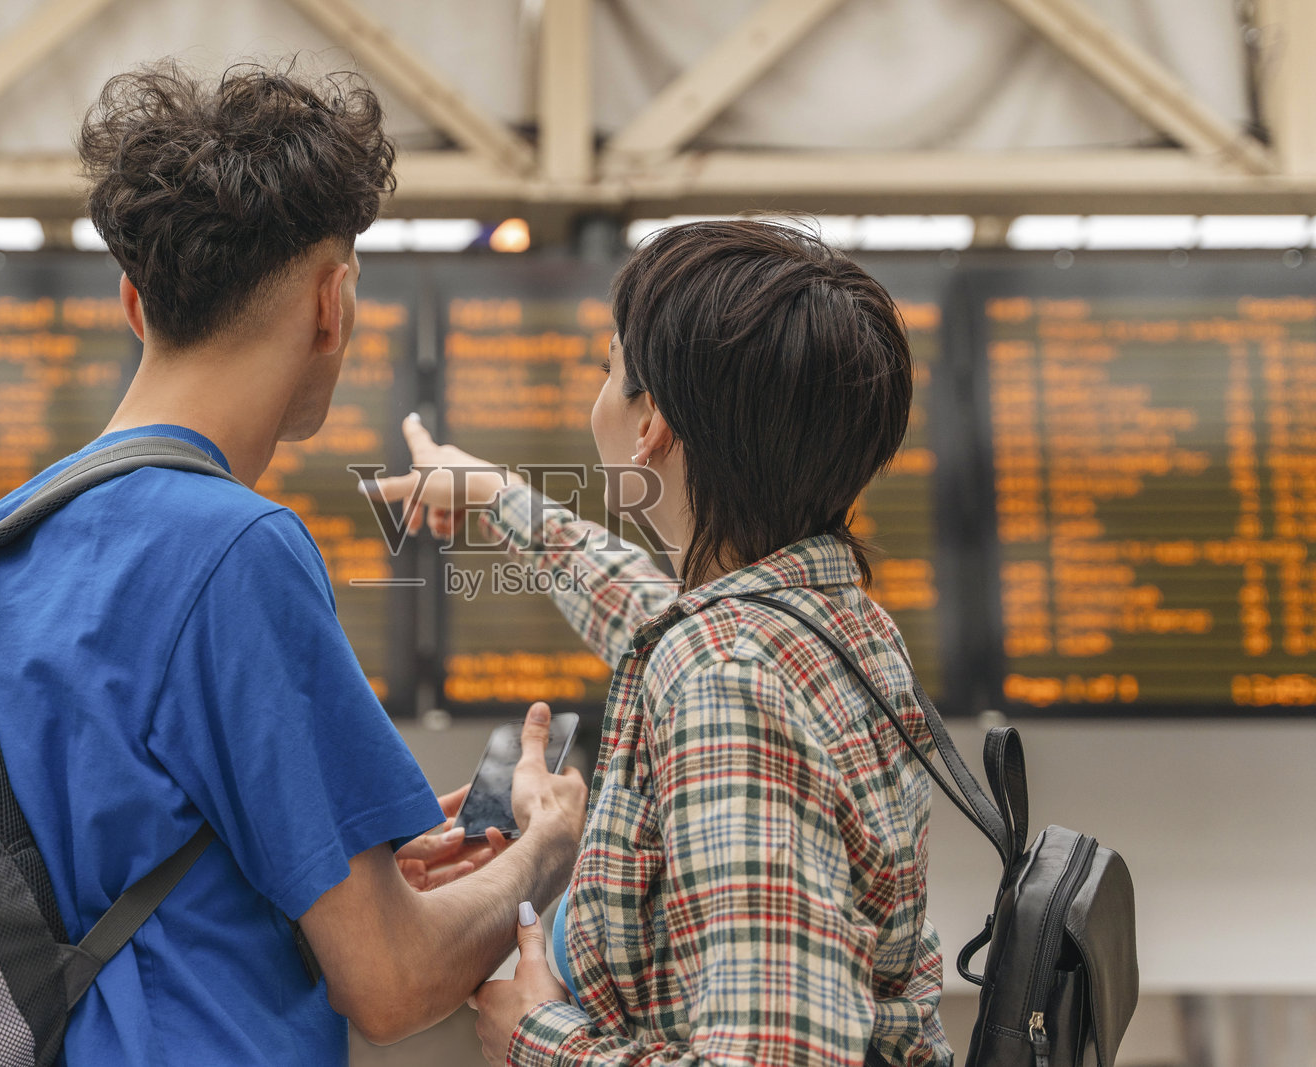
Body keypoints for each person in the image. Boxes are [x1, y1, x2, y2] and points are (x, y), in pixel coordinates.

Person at [0, 61, 587, 1066]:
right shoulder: (234, 549)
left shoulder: (10, 532)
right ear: (332, 301)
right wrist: (545, 847)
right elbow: (390, 981)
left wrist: (352, 865)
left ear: (134, 303)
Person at [369, 219, 953, 1066]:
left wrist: (538, 1038)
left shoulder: (727, 679)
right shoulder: (823, 617)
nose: (599, 393)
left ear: (652, 427)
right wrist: (494, 493)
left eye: (609, 368)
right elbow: (657, 614)